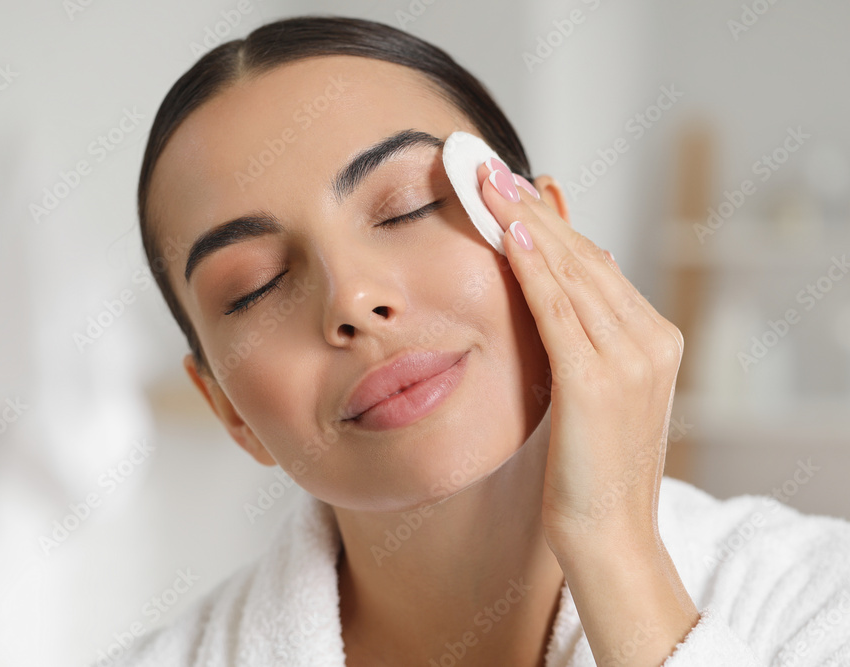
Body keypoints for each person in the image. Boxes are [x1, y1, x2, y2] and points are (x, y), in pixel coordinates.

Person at [108, 15, 850, 667]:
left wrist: (617, 557)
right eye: (255, 285)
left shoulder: (820, 602)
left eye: (407, 207)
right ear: (228, 408)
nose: (354, 299)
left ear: (555, 240)